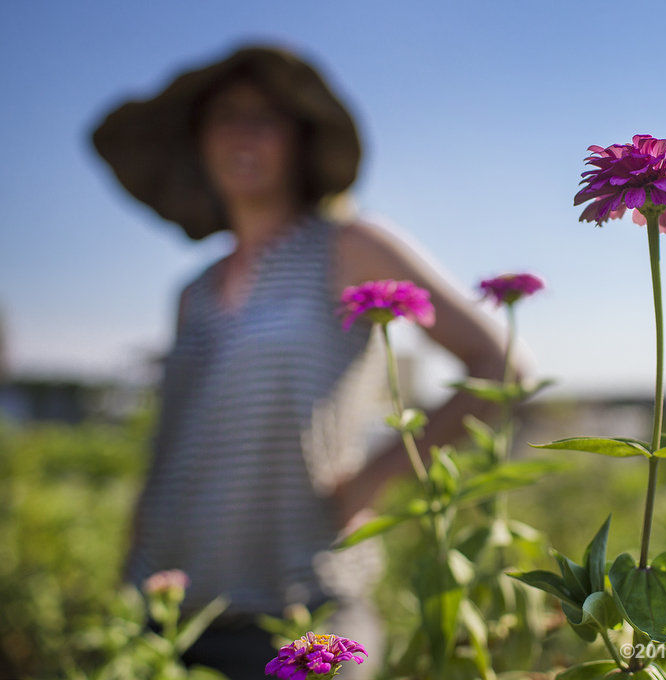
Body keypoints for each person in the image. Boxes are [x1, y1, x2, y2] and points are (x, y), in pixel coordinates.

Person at [91, 44, 509, 679]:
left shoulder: (348, 247)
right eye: (225, 115)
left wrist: (374, 479)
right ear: (199, 141)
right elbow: (172, 441)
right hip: (168, 605)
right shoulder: (193, 293)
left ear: (301, 140)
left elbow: (501, 362)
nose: (243, 133)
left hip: (301, 604)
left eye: (267, 117)